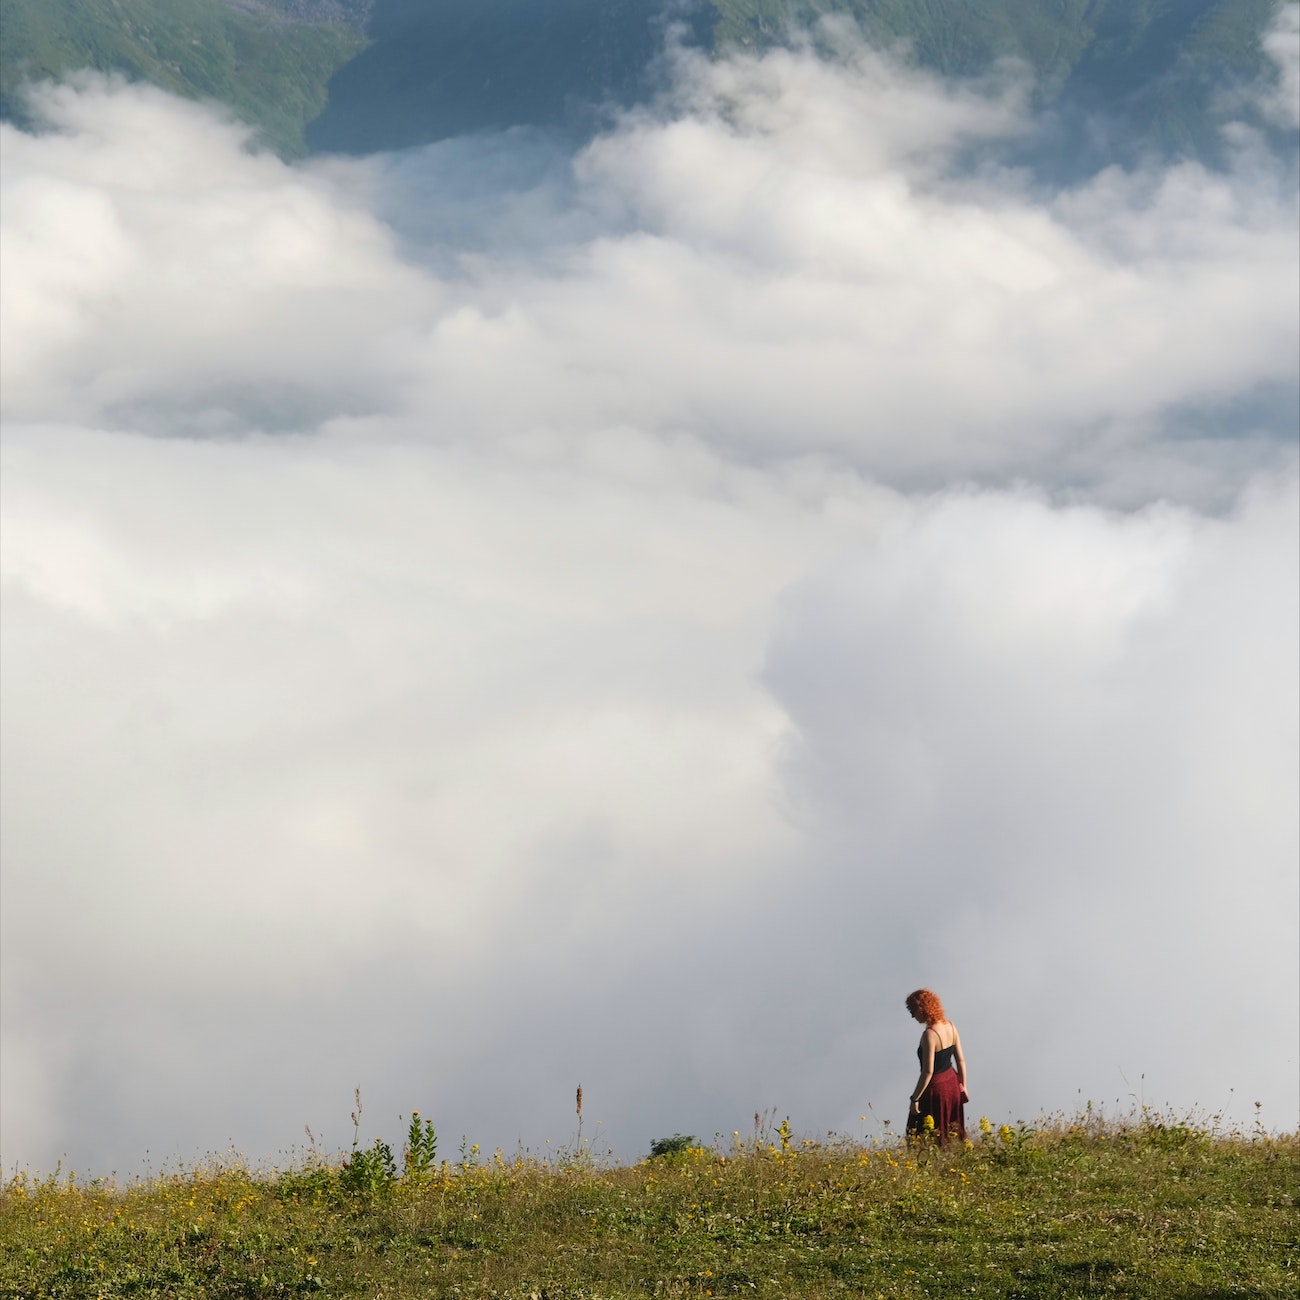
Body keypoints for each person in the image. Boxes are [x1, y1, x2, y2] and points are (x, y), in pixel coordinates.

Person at [905, 988, 967, 1144]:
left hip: (935, 1090)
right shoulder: (951, 1026)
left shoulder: (929, 1035)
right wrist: (962, 1085)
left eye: (913, 1011)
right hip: (952, 1084)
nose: (912, 1016)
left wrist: (915, 1099)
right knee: (951, 1132)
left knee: (923, 1134)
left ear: (923, 1009)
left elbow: (928, 1072)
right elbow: (960, 1060)